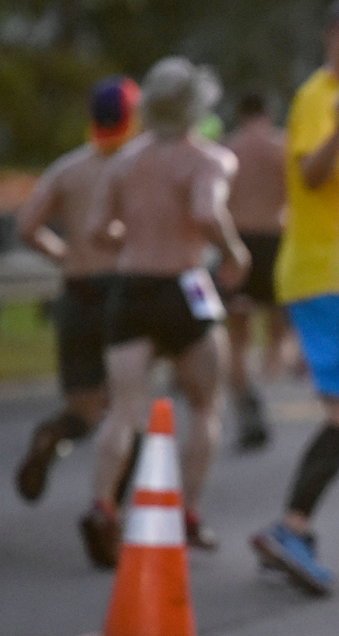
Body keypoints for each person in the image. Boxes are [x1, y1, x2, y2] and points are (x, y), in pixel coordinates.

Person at [83, 57, 250, 569]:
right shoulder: (210, 160)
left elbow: (95, 231)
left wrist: (133, 237)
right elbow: (204, 212)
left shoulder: (124, 162)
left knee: (125, 410)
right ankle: (189, 514)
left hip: (132, 289)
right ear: (198, 104)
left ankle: (102, 506)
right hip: (184, 286)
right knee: (204, 406)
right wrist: (233, 251)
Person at [248, 0, 339, 596]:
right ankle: (291, 526)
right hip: (323, 274)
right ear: (332, 34)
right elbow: (308, 172)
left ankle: (293, 527)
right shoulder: (320, 98)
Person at [14, 76, 142, 504]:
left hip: (77, 292)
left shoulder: (68, 169)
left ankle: (54, 435)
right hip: (122, 296)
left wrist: (65, 255)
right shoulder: (136, 166)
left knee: (83, 409)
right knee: (128, 410)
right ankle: (112, 510)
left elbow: (26, 226)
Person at [222, 91, 288, 451]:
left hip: (237, 242)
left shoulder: (228, 149)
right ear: (268, 112)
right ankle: (267, 385)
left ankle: (247, 396)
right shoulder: (281, 146)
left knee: (237, 335)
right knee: (278, 328)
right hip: (275, 239)